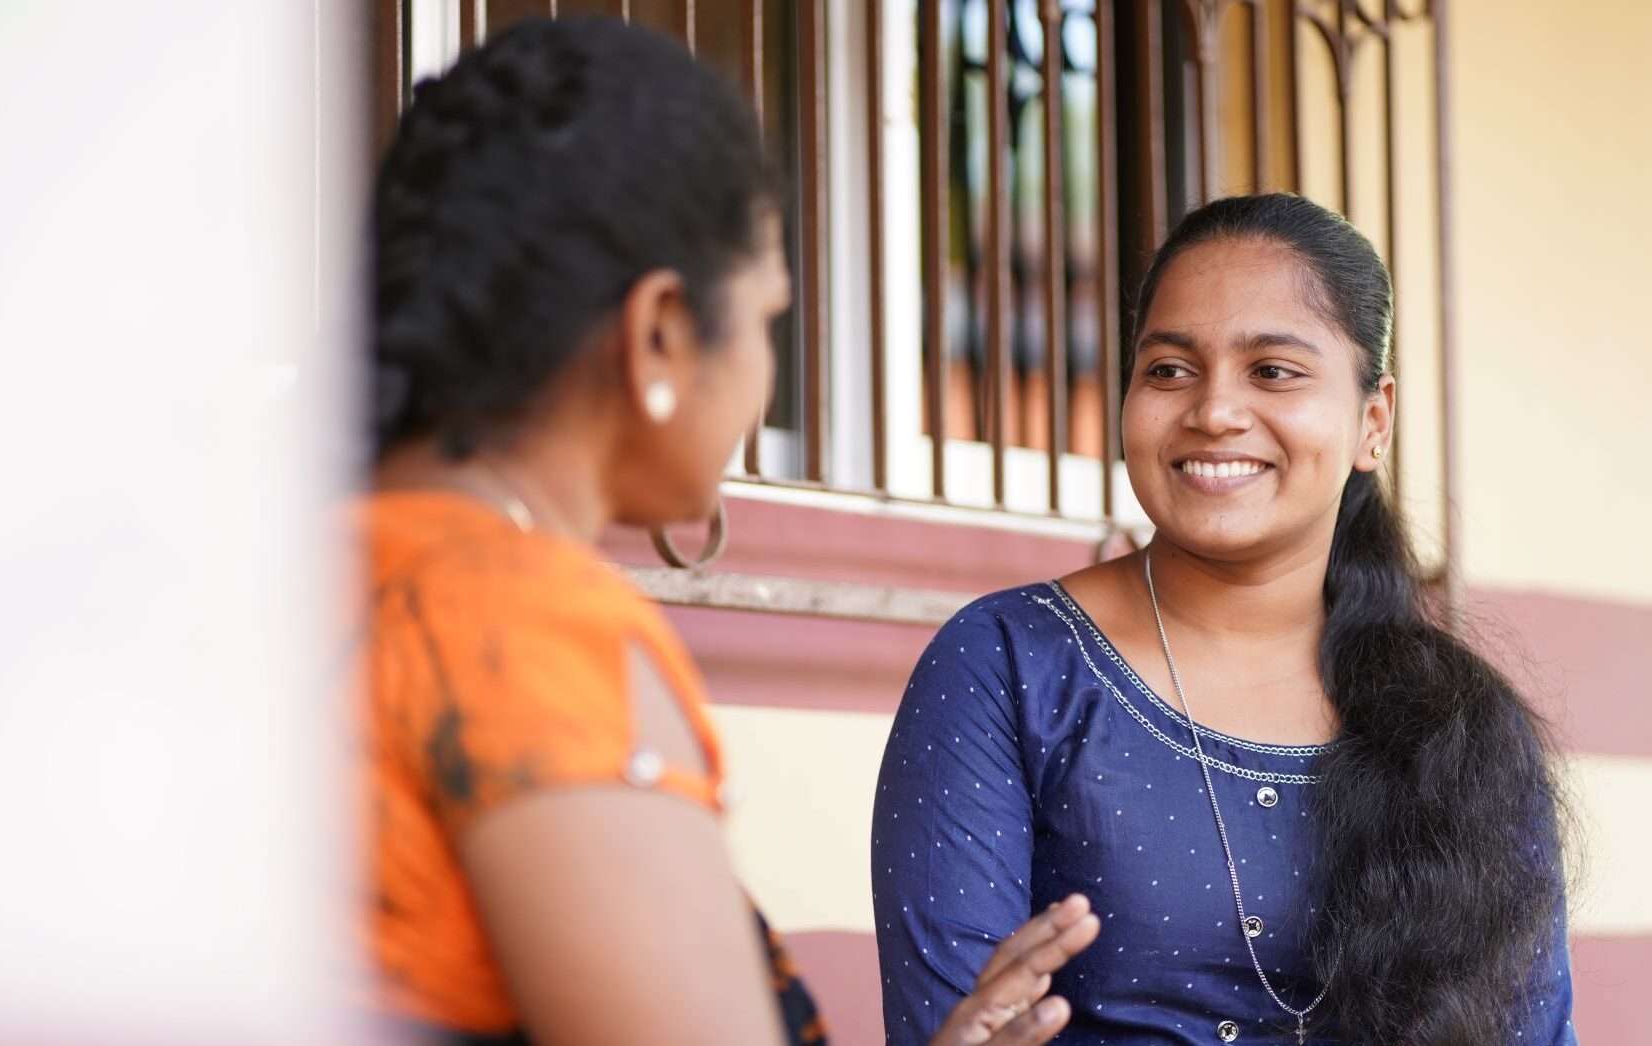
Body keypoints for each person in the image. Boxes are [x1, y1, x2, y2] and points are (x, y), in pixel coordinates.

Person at [358, 17, 1099, 1045]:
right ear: (661, 330)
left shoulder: (299, 568)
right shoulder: (526, 628)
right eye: (767, 319)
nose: (765, 372)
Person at [872, 193, 1576, 1045]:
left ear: (1372, 421)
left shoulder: (1457, 724)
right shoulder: (1009, 667)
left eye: (1272, 371)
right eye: (1168, 369)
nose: (1212, 411)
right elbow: (949, 1027)